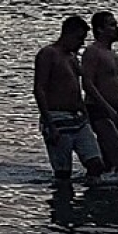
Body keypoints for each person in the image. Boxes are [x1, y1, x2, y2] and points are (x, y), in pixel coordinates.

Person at [33, 15, 104, 180]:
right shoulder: (48, 54)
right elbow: (39, 89)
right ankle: (65, 201)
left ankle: (90, 201)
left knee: (96, 164)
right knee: (63, 173)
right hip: (57, 117)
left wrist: (85, 113)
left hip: (78, 119)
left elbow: (78, 88)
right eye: (79, 38)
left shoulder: (72, 58)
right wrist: (49, 122)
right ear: (68, 34)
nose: (81, 44)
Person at [82, 10, 118, 173]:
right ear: (100, 29)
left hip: (113, 111)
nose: (117, 28)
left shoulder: (112, 55)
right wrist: (108, 110)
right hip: (98, 111)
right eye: (112, 25)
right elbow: (87, 84)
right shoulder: (93, 52)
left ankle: (99, 191)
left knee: (108, 162)